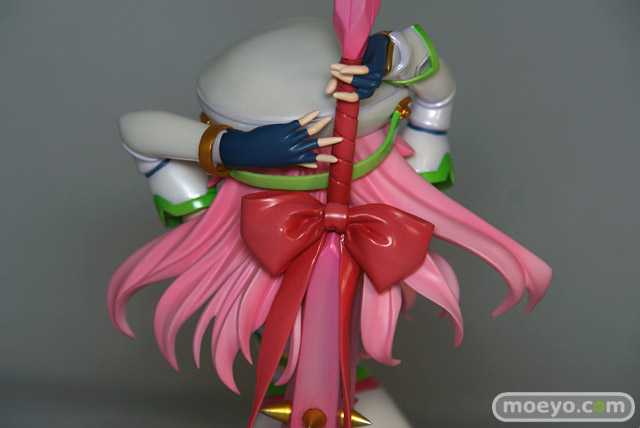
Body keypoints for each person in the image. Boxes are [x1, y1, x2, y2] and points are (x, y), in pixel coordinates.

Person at [109, 17, 551, 428]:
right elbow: (137, 131)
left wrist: (394, 55)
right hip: (282, 394)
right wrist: (230, 148)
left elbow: (437, 96)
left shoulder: (396, 209)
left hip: (351, 390)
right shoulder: (230, 227)